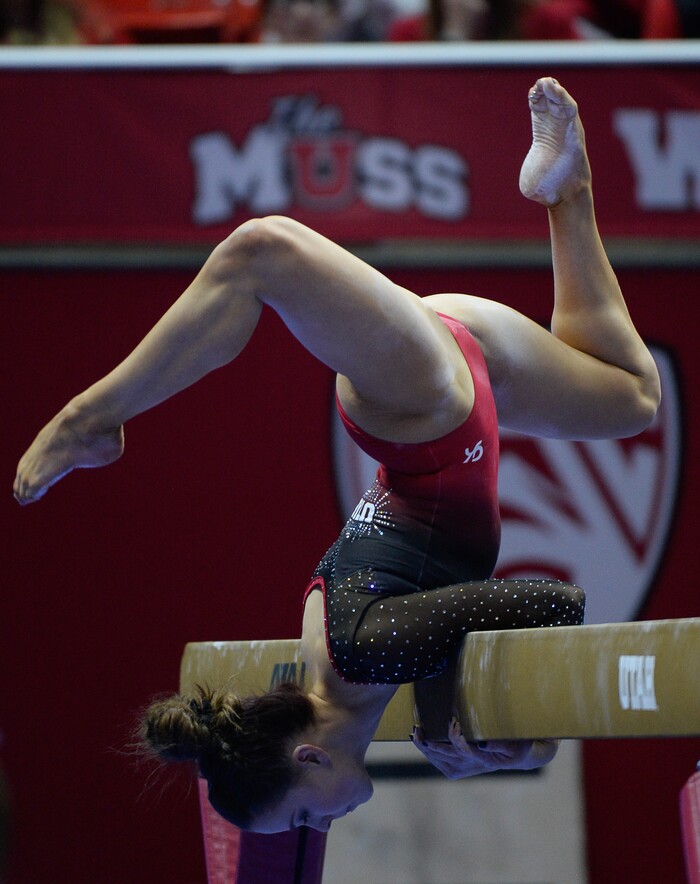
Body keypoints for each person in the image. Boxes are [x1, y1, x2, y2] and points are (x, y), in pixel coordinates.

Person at [14, 79, 661, 833]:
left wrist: (445, 706)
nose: (315, 830)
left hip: (424, 414)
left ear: (309, 759)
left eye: (298, 820)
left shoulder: (360, 655)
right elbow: (452, 620)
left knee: (260, 252)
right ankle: (565, 188)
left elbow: (554, 603)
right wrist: (490, 740)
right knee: (630, 397)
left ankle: (91, 416)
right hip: (448, 407)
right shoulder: (343, 674)